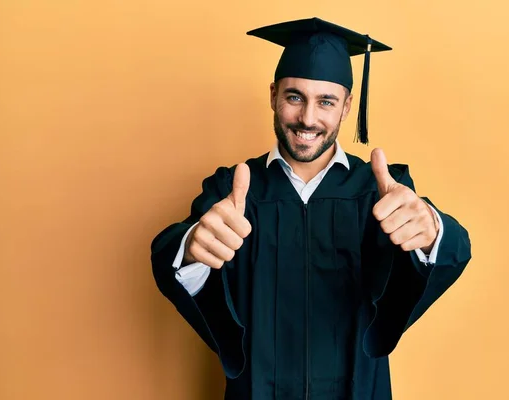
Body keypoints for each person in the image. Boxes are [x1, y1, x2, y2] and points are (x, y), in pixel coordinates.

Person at [151, 17, 472, 400]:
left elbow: (449, 249)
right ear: (273, 95)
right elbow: (169, 255)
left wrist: (433, 232)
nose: (308, 118)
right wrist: (190, 248)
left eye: (326, 101)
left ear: (347, 106)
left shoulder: (378, 190)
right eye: (294, 97)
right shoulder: (234, 188)